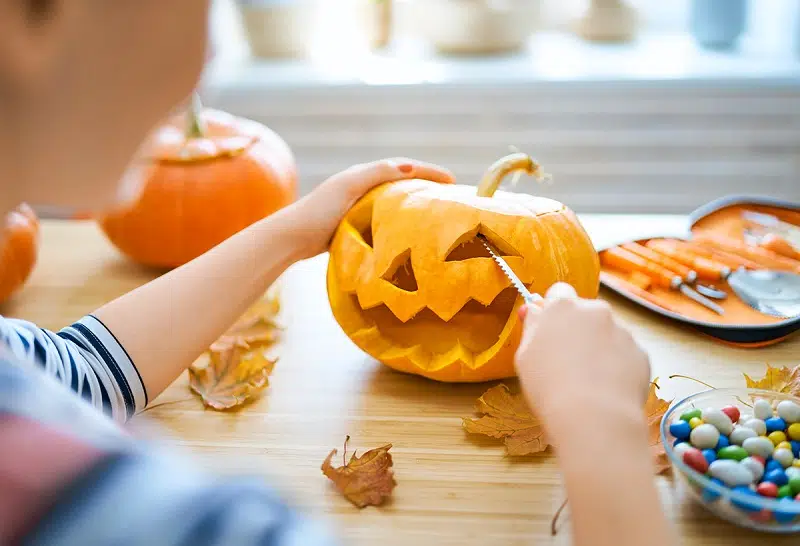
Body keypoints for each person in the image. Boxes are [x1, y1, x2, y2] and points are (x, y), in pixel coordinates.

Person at [0, 1, 674, 545]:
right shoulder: (130, 515)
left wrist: (295, 232)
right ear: (35, 20)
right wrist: (601, 427)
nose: (209, 50)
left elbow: (73, 375)